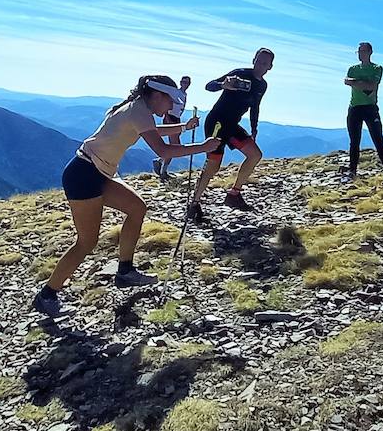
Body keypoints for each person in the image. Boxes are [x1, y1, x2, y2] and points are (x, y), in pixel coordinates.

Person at [33, 75, 220, 317]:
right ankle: (47, 295)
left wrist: (182, 128)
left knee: (137, 208)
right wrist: (203, 147)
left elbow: (151, 130)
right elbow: (162, 149)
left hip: (92, 170)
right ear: (156, 94)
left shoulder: (137, 108)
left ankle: (125, 271)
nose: (170, 107)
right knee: (86, 242)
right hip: (85, 175)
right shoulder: (138, 110)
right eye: (169, 99)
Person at [187, 48, 274, 221]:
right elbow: (209, 85)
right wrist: (222, 85)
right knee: (213, 166)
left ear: (270, 67)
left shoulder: (262, 85)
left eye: (264, 63)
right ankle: (194, 204)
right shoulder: (239, 74)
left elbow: (255, 106)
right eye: (258, 61)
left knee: (255, 155)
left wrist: (254, 128)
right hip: (217, 123)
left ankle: (234, 194)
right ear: (253, 60)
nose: (260, 65)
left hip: (232, 125)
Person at [343, 42, 383, 185]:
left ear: (370, 52)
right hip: (354, 107)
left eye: (363, 51)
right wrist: (363, 83)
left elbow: (372, 85)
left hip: (370, 107)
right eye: (359, 52)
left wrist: (356, 83)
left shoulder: (377, 68)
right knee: (354, 142)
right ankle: (352, 172)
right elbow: (347, 81)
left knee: (378, 140)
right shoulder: (352, 69)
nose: (361, 54)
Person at [152, 76, 193, 183]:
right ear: (180, 82)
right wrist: (168, 118)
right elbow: (167, 104)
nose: (185, 84)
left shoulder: (184, 94)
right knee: (175, 146)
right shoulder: (175, 93)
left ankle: (161, 165)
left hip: (176, 119)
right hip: (171, 118)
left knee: (175, 146)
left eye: (187, 82)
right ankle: (161, 168)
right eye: (183, 82)